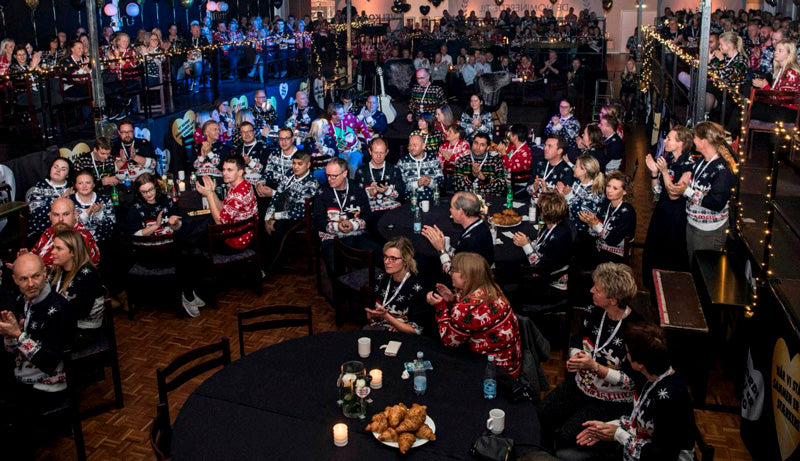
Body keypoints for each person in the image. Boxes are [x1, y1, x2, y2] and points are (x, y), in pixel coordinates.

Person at [538, 262, 641, 452]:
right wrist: (577, 357)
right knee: (542, 414)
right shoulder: (593, 311)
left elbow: (630, 381)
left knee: (568, 435)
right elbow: (577, 340)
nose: (592, 290)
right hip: (579, 386)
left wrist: (595, 367)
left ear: (613, 299)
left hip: (609, 401)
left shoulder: (636, 331)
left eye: (598, 289)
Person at [572, 323, 696, 460]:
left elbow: (661, 455)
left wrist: (618, 434)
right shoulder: (648, 377)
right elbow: (639, 421)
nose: (626, 356)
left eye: (628, 353)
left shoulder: (670, 399)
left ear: (640, 364)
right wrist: (608, 427)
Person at [426, 252, 522, 378]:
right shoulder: (492, 288)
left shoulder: (465, 308)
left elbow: (449, 341)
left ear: (466, 276)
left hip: (494, 375)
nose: (450, 273)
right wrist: (452, 299)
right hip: (512, 365)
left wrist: (440, 307)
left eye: (454, 270)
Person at [1, 254, 71, 419]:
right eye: (24, 279)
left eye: (36, 276)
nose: (31, 284)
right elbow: (12, 351)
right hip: (22, 376)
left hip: (47, 387)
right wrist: (9, 335)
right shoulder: (21, 301)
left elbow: (49, 362)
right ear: (15, 280)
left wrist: (18, 336)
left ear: (45, 273)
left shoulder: (58, 308)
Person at [664, 121, 736, 262]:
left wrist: (687, 191)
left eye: (695, 137)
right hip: (693, 224)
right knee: (692, 265)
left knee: (702, 271)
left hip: (708, 231)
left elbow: (716, 203)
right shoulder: (701, 162)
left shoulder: (722, 170)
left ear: (704, 141)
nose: (693, 140)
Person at [642, 126, 695, 280]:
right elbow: (658, 191)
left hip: (676, 217)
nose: (664, 140)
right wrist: (653, 173)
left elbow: (673, 193)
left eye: (669, 139)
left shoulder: (688, 163)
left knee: (669, 254)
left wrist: (664, 172)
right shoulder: (669, 159)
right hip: (661, 212)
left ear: (681, 143)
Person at [312, 158, 377, 279]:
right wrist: (337, 226)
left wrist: (353, 225)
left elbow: (367, 215)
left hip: (357, 234)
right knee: (336, 268)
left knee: (379, 255)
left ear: (344, 173)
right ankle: (341, 295)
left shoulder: (357, 188)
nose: (329, 179)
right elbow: (317, 220)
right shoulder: (322, 191)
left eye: (333, 176)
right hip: (332, 238)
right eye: (328, 175)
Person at [508, 192, 572, 306]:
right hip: (546, 275)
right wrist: (529, 243)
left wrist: (526, 245)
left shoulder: (559, 236)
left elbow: (539, 268)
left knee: (509, 286)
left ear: (545, 213)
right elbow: (542, 246)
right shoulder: (553, 225)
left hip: (551, 285)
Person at [49, 229, 105, 349]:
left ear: (73, 252)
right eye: (53, 247)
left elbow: (80, 312)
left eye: (59, 249)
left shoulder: (87, 274)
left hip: (84, 331)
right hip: (64, 325)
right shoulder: (57, 271)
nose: (52, 252)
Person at [263, 150, 319, 268]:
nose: (295, 167)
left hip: (298, 217)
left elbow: (299, 211)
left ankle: (268, 266)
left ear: (308, 165)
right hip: (282, 207)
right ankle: (260, 261)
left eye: (300, 164)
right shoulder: (289, 175)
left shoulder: (311, 183)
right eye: (294, 163)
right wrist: (268, 217)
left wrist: (275, 217)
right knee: (261, 222)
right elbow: (277, 195)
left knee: (277, 229)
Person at [365, 237, 429, 335]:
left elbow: (416, 331)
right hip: (378, 329)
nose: (386, 262)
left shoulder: (417, 288)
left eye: (393, 258)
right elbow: (370, 313)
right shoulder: (381, 279)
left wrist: (387, 316)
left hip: (402, 336)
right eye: (385, 257)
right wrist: (371, 314)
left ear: (405, 261)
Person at [421, 191, 494, 273]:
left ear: (460, 212)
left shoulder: (470, 241)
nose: (450, 210)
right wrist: (444, 244)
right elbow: (460, 254)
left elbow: (453, 273)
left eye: (452, 207)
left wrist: (441, 250)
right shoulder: (479, 225)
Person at [196, 155, 258, 250]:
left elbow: (219, 222)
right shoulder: (242, 184)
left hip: (235, 242)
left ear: (240, 172)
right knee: (199, 227)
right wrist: (212, 193)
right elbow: (223, 207)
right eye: (224, 169)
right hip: (241, 234)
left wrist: (208, 195)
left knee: (194, 240)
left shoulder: (238, 195)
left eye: (229, 170)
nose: (224, 173)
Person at [579, 171, 636, 266]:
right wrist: (590, 223)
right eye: (608, 186)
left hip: (616, 255)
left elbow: (613, 240)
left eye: (615, 188)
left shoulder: (627, 212)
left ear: (625, 191)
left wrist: (595, 224)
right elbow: (597, 230)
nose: (609, 190)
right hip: (600, 247)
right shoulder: (606, 204)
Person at [558, 154, 605, 257]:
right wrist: (562, 195)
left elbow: (583, 215)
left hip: (584, 237)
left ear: (584, 171)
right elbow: (570, 206)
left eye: (576, 166)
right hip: (572, 229)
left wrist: (568, 196)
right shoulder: (577, 183)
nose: (573, 167)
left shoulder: (595, 191)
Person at [751, 39, 800, 124]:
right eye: (775, 50)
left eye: (780, 51)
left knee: (750, 108)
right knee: (748, 106)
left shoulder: (791, 73)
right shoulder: (781, 71)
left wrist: (765, 86)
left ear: (789, 54)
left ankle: (730, 134)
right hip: (779, 108)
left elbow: (783, 100)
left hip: (787, 112)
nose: (775, 52)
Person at [355, 138, 405, 218]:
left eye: (381, 153)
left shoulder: (394, 169)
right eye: (376, 153)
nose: (379, 156)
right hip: (371, 214)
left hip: (392, 213)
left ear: (387, 152)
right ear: (370, 151)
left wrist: (388, 191)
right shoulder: (361, 172)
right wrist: (369, 192)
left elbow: (402, 195)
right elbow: (357, 198)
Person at [25, 157, 74, 240]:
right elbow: (38, 213)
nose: (58, 170)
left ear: (68, 174)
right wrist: (61, 198)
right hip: (42, 231)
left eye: (63, 169)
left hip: (69, 230)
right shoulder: (38, 188)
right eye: (55, 167)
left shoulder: (73, 188)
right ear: (51, 168)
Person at [69, 170, 116, 246]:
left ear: (94, 184)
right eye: (80, 183)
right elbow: (66, 227)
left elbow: (110, 228)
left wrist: (99, 213)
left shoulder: (105, 200)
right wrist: (87, 213)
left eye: (88, 183)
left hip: (101, 244)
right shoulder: (68, 201)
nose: (84, 186)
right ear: (76, 185)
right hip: (75, 244)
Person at [397, 134, 444, 203]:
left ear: (423, 146)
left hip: (432, 201)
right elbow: (400, 188)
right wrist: (417, 184)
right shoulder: (402, 162)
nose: (411, 148)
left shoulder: (433, 159)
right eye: (410, 145)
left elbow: (441, 183)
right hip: (410, 202)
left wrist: (430, 182)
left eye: (415, 145)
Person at [327, 103, 370, 175]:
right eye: (340, 114)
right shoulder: (328, 126)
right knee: (338, 170)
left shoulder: (349, 117)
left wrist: (367, 136)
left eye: (343, 112)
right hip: (339, 154)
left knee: (352, 167)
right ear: (333, 116)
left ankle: (352, 184)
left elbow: (361, 125)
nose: (344, 114)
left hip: (354, 150)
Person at [235, 121, 270, 186]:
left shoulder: (263, 148)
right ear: (241, 134)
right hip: (241, 187)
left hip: (258, 188)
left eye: (249, 131)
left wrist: (250, 162)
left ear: (254, 132)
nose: (247, 134)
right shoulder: (237, 149)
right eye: (244, 132)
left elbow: (266, 171)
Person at [306, 118, 339, 184]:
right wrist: (324, 153)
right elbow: (309, 158)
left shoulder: (329, 138)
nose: (328, 127)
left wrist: (323, 149)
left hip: (330, 166)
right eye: (325, 126)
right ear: (319, 128)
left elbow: (335, 153)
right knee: (317, 174)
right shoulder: (309, 141)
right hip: (316, 169)